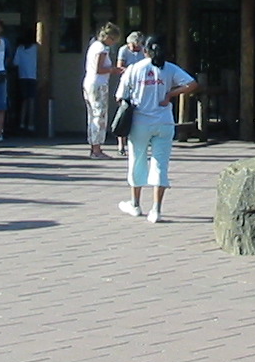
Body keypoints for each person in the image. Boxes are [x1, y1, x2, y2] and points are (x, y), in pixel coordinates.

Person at [116, 36, 197, 223]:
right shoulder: (169, 68)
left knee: (137, 161)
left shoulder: (134, 69)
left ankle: (135, 204)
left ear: (145, 51)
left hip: (140, 122)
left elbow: (120, 96)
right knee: (160, 164)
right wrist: (170, 94)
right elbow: (192, 84)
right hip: (164, 122)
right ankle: (156, 209)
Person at [84, 22, 121, 158]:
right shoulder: (102, 49)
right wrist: (114, 70)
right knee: (99, 116)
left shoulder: (93, 45)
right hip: (99, 84)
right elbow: (99, 69)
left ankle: (93, 146)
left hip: (89, 82)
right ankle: (97, 149)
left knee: (92, 115)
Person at [12, 35, 40, 134]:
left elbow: (15, 63)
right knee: (31, 101)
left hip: (22, 76)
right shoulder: (36, 48)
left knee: (24, 101)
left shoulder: (20, 49)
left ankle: (22, 123)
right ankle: (31, 124)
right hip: (32, 76)